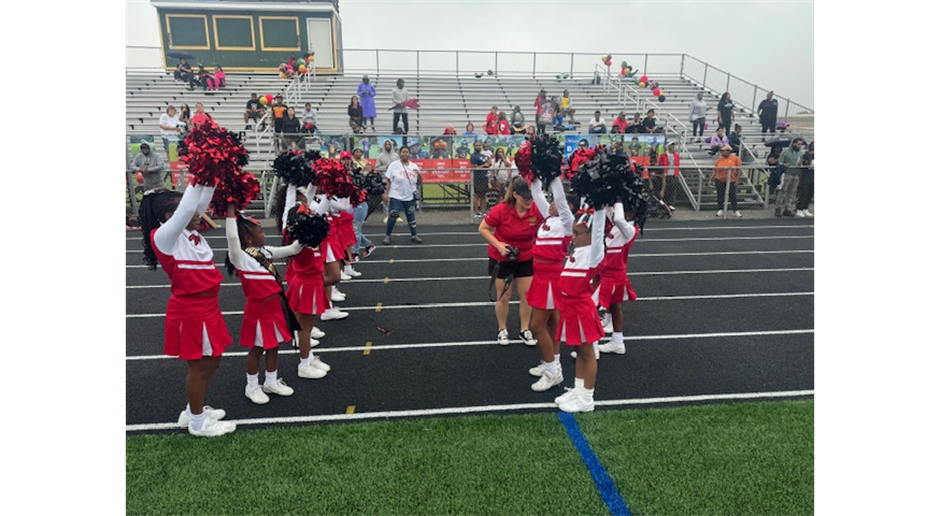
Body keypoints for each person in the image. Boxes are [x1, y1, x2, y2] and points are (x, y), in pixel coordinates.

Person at [140, 185, 235, 437]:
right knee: (199, 367)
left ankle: (192, 410)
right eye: (191, 212)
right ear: (172, 217)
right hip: (191, 311)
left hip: (209, 307)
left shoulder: (188, 231)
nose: (199, 215)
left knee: (214, 360)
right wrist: (197, 176)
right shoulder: (164, 236)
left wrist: (212, 173)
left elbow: (198, 202)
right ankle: (197, 423)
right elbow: (188, 206)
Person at [225, 204, 302, 405]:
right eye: (260, 231)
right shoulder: (240, 257)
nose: (264, 233)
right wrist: (230, 213)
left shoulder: (265, 251)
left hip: (275, 306)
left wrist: (307, 234)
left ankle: (271, 381)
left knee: (274, 345)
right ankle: (251, 386)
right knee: (257, 349)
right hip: (258, 309)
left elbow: (292, 249)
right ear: (249, 239)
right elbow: (233, 238)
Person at [553, 206, 607, 413]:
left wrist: (601, 205)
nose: (573, 237)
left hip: (582, 310)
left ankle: (587, 398)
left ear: (591, 235)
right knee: (578, 351)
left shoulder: (594, 254)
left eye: (577, 233)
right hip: (570, 309)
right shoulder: (577, 251)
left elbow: (599, 228)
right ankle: (578, 390)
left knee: (587, 353)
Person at [478, 176, 544, 347]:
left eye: (531, 197)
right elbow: (483, 228)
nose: (529, 201)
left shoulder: (536, 210)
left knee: (527, 295)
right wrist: (499, 245)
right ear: (515, 194)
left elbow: (543, 231)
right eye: (525, 198)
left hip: (526, 257)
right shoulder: (501, 209)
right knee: (504, 296)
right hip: (502, 258)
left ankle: (524, 329)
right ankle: (502, 329)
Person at [277, 185, 338, 367]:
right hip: (307, 283)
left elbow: (316, 210)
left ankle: (309, 358)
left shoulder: (304, 234)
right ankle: (304, 364)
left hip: (309, 282)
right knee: (305, 328)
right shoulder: (301, 238)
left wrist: (327, 191)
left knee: (305, 326)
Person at [526, 176, 575, 391]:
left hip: (551, 278)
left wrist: (554, 177)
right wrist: (535, 175)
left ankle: (552, 371)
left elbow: (561, 201)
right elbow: (537, 195)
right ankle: (553, 363)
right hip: (541, 276)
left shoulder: (567, 222)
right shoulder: (548, 217)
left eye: (554, 202)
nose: (551, 203)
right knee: (551, 324)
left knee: (537, 325)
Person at [596, 201, 639, 356]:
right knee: (614, 306)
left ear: (633, 214)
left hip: (613, 274)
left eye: (628, 211)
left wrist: (619, 200)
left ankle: (591, 348)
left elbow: (619, 219)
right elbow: (609, 212)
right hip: (607, 271)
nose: (623, 214)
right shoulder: (620, 226)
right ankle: (617, 342)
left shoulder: (630, 229)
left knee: (593, 305)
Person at [383, 146, 423, 244]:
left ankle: (414, 235)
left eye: (407, 152)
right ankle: (387, 236)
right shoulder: (394, 165)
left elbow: (419, 183)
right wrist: (386, 193)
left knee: (411, 216)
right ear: (400, 153)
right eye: (403, 152)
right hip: (396, 195)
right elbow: (388, 180)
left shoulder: (414, 166)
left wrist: (419, 175)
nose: (405, 154)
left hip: (409, 196)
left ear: (409, 154)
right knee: (393, 215)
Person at [775, 138, 805, 217]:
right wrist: (785, 165)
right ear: (794, 144)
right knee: (783, 191)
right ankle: (778, 208)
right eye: (798, 144)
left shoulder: (801, 153)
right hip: (787, 174)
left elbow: (802, 162)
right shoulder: (785, 152)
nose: (800, 146)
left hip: (796, 174)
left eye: (801, 144)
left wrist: (800, 165)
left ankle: (787, 208)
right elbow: (780, 162)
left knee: (792, 192)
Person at [711, 145, 743, 217]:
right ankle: (720, 209)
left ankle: (735, 210)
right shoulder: (720, 159)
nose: (722, 152)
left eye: (723, 151)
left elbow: (739, 169)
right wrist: (711, 179)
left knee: (732, 195)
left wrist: (737, 179)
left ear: (728, 151)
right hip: (720, 179)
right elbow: (715, 170)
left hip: (731, 179)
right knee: (720, 194)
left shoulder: (735, 158)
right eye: (721, 151)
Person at [470, 140, 492, 218]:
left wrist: (488, 161)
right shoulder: (474, 156)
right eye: (477, 145)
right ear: (474, 146)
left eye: (479, 145)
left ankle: (483, 211)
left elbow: (488, 163)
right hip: (478, 178)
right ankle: (476, 212)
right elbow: (474, 167)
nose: (478, 147)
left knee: (483, 195)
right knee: (477, 195)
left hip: (484, 177)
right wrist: (483, 166)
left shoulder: (482, 155)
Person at [657, 141, 681, 210]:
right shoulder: (664, 155)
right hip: (666, 174)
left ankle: (671, 204)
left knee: (673, 189)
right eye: (671, 145)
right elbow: (660, 163)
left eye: (673, 145)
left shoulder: (676, 155)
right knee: (665, 189)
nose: (673, 147)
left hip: (674, 174)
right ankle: (665, 203)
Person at [795, 140, 815, 218]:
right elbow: (806, 163)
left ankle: (805, 208)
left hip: (813, 176)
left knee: (810, 193)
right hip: (806, 176)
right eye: (813, 146)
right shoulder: (806, 154)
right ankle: (799, 209)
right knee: (803, 193)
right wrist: (810, 156)